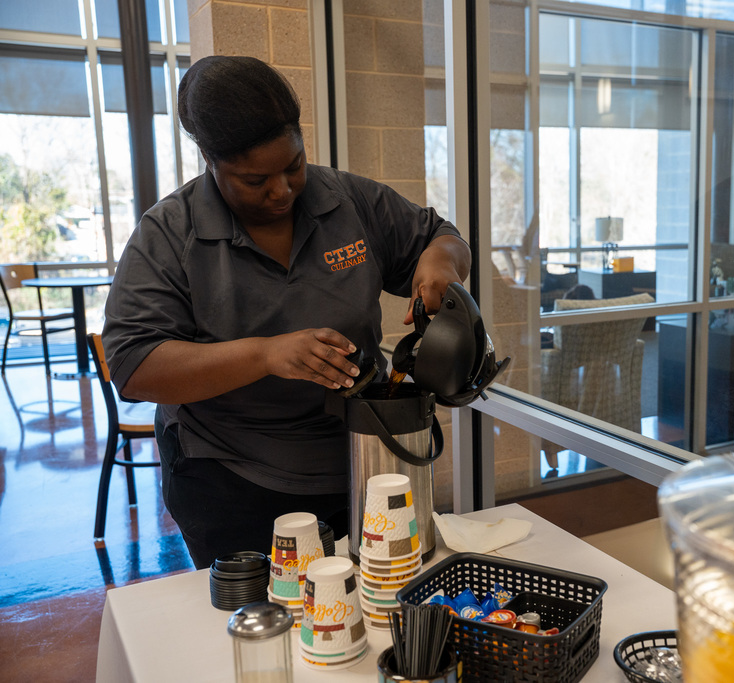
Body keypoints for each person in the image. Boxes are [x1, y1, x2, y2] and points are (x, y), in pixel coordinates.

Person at [102, 56, 470, 569]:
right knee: (271, 628)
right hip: (234, 479)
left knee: (377, 610)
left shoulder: (348, 200)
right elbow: (134, 366)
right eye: (254, 181)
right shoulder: (169, 233)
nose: (282, 191)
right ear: (210, 159)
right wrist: (266, 355)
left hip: (363, 463)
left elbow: (440, 236)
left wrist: (440, 262)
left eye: (293, 166)